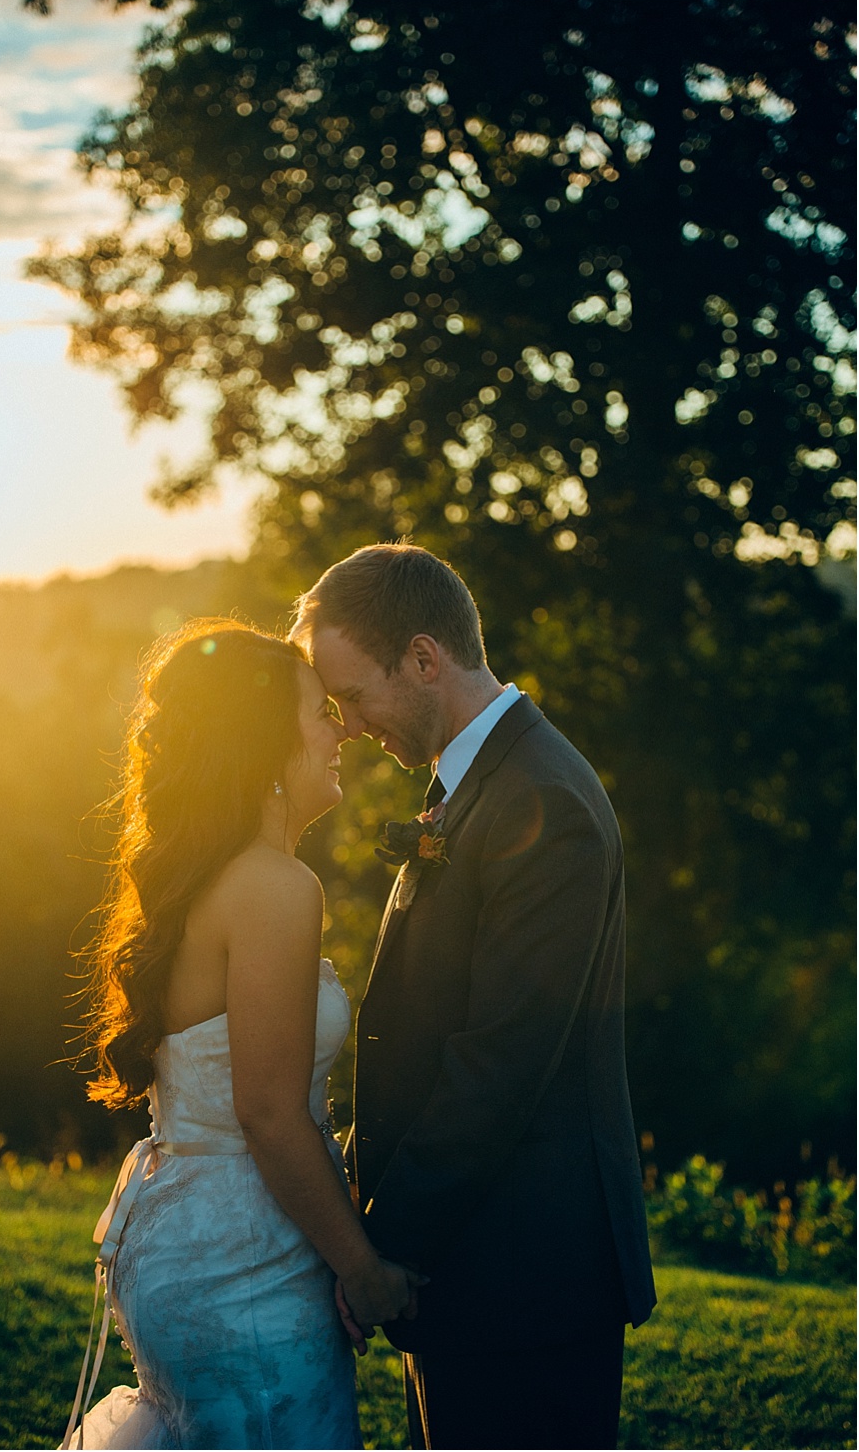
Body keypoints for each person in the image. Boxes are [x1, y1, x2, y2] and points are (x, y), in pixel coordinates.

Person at [291, 543, 657, 1452]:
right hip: (477, 1258)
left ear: (424, 660)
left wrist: (384, 1248)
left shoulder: (546, 801)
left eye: (352, 694)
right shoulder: (475, 787)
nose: (347, 723)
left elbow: (498, 1062)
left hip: (528, 1273)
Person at [59, 617, 416, 1452]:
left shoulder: (205, 880)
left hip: (188, 1228)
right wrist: (361, 1270)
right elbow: (268, 1110)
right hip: (245, 1258)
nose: (341, 730)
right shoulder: (275, 888)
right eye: (319, 711)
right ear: (264, 742)